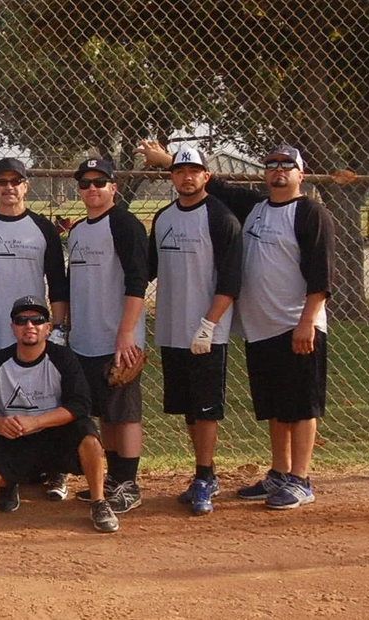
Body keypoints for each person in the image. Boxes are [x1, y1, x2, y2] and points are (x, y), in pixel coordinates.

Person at [138, 141, 335, 510]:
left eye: (287, 166)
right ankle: (279, 472)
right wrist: (168, 160)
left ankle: (301, 478)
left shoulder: (310, 212)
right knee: (275, 405)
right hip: (260, 327)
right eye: (272, 164)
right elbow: (213, 186)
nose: (279, 171)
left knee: (302, 405)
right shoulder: (256, 208)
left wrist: (308, 321)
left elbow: (322, 275)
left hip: (297, 322)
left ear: (300, 174)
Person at [146, 146, 244, 516]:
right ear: (171, 176)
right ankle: (207, 473)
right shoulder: (163, 218)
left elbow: (231, 279)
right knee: (189, 408)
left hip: (206, 332)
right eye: (180, 170)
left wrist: (209, 324)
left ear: (206, 176)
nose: (187, 177)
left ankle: (204, 475)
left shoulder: (220, 217)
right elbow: (147, 269)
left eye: (194, 171)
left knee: (206, 409)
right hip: (172, 329)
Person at [0, 296, 120, 533]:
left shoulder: (63, 358)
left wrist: (37, 421)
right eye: (21, 320)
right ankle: (11, 482)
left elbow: (80, 404)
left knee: (89, 437)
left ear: (47, 328)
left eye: (37, 320)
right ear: (13, 328)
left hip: (54, 434)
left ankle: (99, 502)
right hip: (13, 439)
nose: (29, 326)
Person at [64, 158, 150, 514]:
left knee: (125, 412)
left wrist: (126, 333)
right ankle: (113, 477)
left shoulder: (124, 224)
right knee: (106, 413)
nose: (92, 189)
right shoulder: (79, 230)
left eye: (100, 182)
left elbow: (137, 281)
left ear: (113, 186)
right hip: (85, 337)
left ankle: (129, 483)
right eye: (85, 183)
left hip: (119, 337)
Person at [0, 157, 69, 380]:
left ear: (26, 186)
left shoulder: (43, 228)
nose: (9, 187)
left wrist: (57, 329)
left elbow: (57, 285)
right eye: (2, 181)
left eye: (16, 181)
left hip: (32, 334)